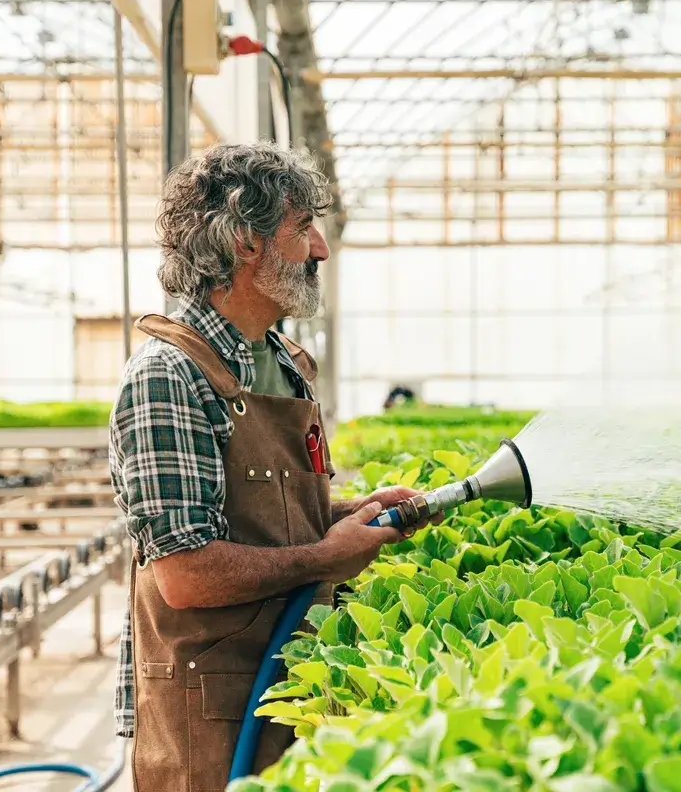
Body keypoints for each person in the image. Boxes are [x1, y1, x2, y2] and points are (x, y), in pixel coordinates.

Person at [108, 142, 436, 791]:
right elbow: (186, 575)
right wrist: (328, 555)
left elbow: (268, 518)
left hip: (295, 689)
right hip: (213, 716)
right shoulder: (167, 378)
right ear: (244, 242)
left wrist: (354, 516)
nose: (320, 248)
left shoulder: (284, 364)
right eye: (302, 227)